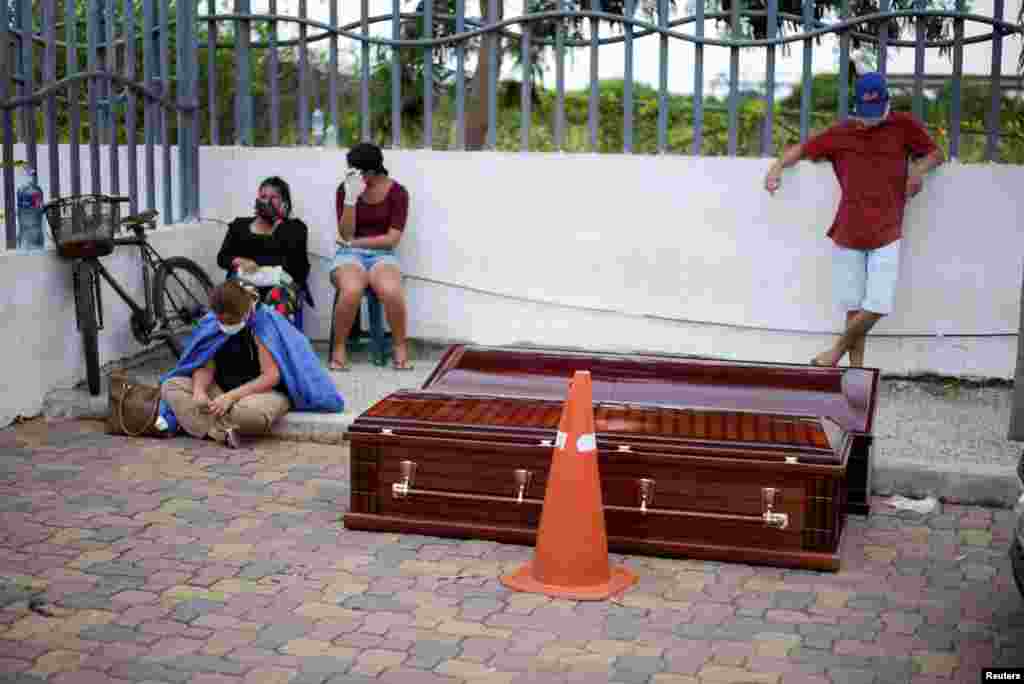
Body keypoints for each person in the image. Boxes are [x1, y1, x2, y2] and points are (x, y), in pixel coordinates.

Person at [764, 72, 945, 367]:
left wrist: (917, 171)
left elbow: (936, 154)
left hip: (887, 230)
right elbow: (803, 149)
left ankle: (834, 353)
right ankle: (855, 372)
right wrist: (776, 168)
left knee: (877, 305)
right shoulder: (842, 133)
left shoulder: (904, 126)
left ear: (887, 102)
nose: (870, 118)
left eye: (875, 111)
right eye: (865, 111)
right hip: (848, 230)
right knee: (853, 307)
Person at [159, 280, 343, 448]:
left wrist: (231, 397)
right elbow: (205, 364)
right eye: (221, 321)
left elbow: (271, 376)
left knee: (245, 416)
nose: (225, 325)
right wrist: (199, 391)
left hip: (260, 393)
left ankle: (200, 425)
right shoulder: (212, 323)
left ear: (246, 312)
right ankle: (222, 433)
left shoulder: (263, 324)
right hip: (221, 392)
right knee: (171, 385)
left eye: (231, 321)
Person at [330, 142, 414, 371]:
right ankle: (339, 350)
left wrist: (356, 242)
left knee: (391, 290)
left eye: (356, 171)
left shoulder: (397, 193)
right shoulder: (346, 189)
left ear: (370, 171)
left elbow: (392, 239)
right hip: (349, 256)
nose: (352, 175)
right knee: (352, 290)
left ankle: (400, 348)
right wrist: (350, 198)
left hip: (382, 255)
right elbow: (345, 234)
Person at [216, 177, 311, 325]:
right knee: (233, 297)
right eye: (263, 197)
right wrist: (239, 261)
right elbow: (222, 258)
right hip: (246, 283)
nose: (267, 202)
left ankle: (270, 346)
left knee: (279, 298)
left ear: (284, 202)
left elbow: (297, 268)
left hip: (280, 285)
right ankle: (241, 345)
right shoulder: (239, 225)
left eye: (273, 198)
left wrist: (278, 225)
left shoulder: (295, 229)